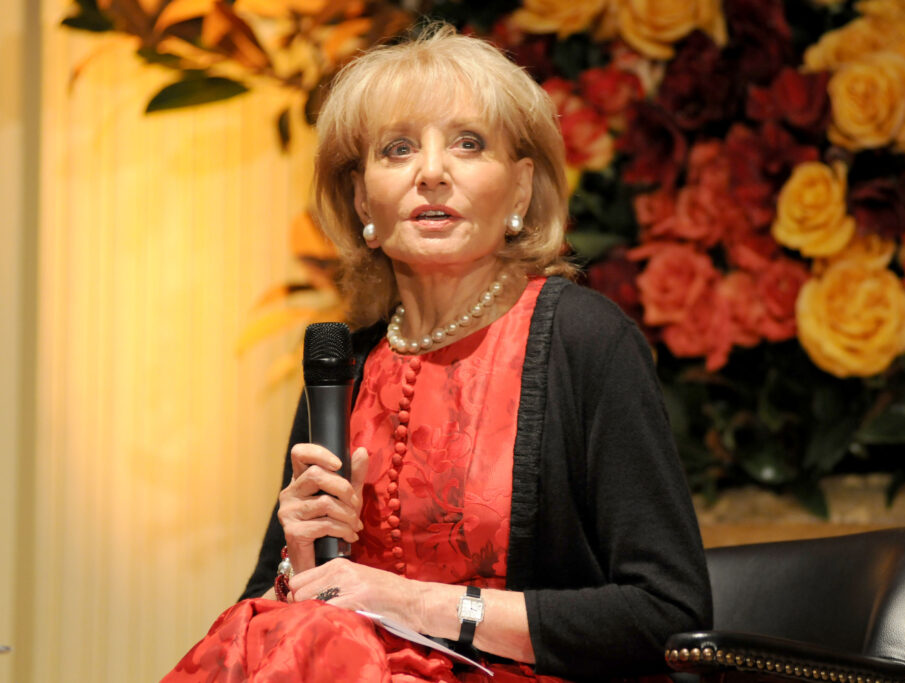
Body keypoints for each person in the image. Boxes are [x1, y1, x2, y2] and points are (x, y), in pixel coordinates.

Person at [164, 22, 711, 683]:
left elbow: (668, 615)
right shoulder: (345, 370)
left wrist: (414, 602)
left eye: (468, 144)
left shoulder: (585, 339)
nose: (430, 173)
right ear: (363, 198)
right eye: (397, 150)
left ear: (520, 188)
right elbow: (260, 625)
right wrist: (301, 562)